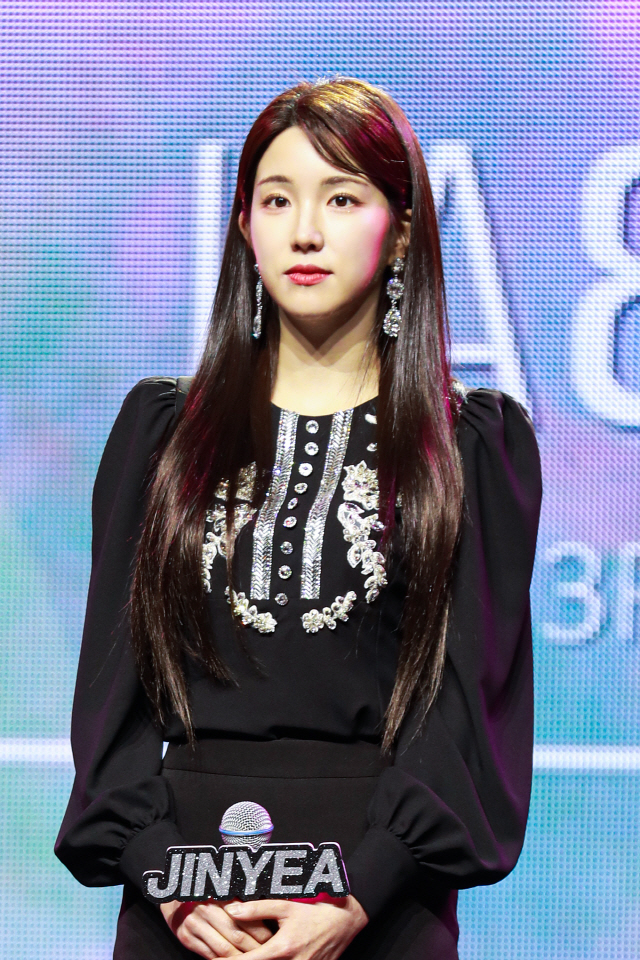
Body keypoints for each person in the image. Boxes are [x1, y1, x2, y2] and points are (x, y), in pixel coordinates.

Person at [54, 77, 543, 959]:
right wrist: (167, 878)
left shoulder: (468, 445)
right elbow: (111, 704)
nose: (304, 231)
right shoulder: (161, 433)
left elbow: (470, 712)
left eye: (342, 198)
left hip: (377, 902)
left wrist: (359, 892)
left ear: (401, 231)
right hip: (184, 904)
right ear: (245, 226)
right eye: (277, 200)